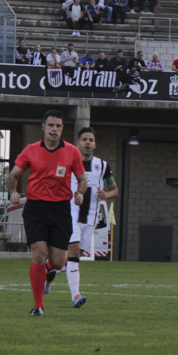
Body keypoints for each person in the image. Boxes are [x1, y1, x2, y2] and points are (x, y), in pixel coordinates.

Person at [8, 110, 88, 317]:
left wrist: (80, 193)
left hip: (61, 209)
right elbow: (14, 175)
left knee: (59, 261)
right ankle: (39, 306)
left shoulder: (72, 152)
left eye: (58, 126)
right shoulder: (30, 150)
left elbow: (82, 179)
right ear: (43, 127)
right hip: (35, 207)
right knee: (38, 254)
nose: (54, 129)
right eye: (50, 125)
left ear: (62, 129)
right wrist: (13, 191)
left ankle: (51, 271)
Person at [43, 127, 118, 308]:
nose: (87, 143)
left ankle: (49, 269)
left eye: (91, 140)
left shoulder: (103, 166)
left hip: (90, 217)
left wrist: (105, 195)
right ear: (78, 143)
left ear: (95, 144)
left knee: (72, 257)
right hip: (71, 214)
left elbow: (114, 190)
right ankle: (76, 295)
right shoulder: (68, 162)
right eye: (84, 139)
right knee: (75, 251)